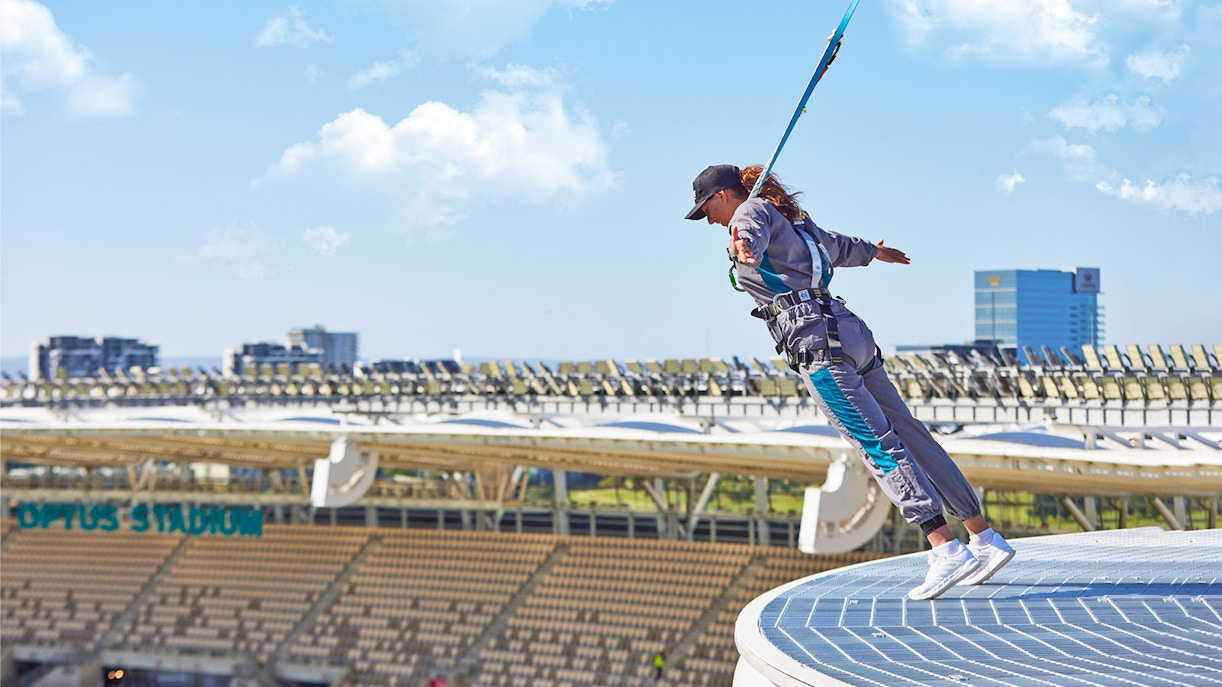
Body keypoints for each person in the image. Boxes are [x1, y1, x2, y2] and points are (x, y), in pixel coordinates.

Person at [685, 164, 1015, 600]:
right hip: (850, 333)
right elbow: (845, 247)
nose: (709, 219)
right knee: (913, 436)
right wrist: (879, 254)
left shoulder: (749, 214)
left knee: (877, 444)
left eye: (706, 208)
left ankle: (944, 546)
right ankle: (983, 538)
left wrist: (744, 246)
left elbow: (749, 234)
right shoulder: (796, 222)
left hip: (816, 344)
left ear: (723, 195)